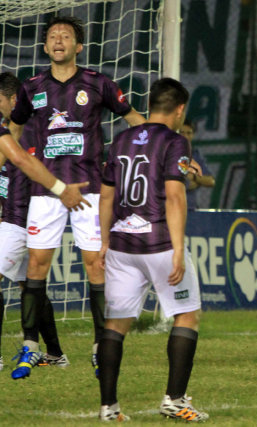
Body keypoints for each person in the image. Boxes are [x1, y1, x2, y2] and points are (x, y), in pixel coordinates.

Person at [8, 16, 146, 380]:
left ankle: (102, 347)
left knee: (96, 266)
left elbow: (133, 117)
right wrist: (16, 163)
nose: (58, 40)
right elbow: (16, 127)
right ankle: (31, 346)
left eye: (65, 36)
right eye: (52, 36)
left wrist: (163, 145)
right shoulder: (31, 86)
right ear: (45, 46)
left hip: (90, 190)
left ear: (78, 46)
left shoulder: (98, 83)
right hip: (46, 190)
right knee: (35, 266)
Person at [96, 78, 207, 421]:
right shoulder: (176, 142)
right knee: (186, 314)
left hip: (121, 244)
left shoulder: (122, 138)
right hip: (158, 242)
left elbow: (106, 195)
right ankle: (174, 400)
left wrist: (103, 241)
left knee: (116, 323)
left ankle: (109, 407)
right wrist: (177, 248)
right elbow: (175, 196)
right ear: (179, 110)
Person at [0, 72, 71, 374]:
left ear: (14, 100)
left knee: (30, 286)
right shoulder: (9, 132)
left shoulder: (31, 134)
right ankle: (54, 353)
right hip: (13, 219)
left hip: (20, 220)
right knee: (31, 287)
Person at [180, 118, 215, 211]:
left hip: (191, 208)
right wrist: (191, 181)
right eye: (182, 132)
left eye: (189, 133)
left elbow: (210, 181)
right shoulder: (167, 153)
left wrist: (194, 177)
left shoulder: (195, 155)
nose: (185, 136)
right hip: (170, 208)